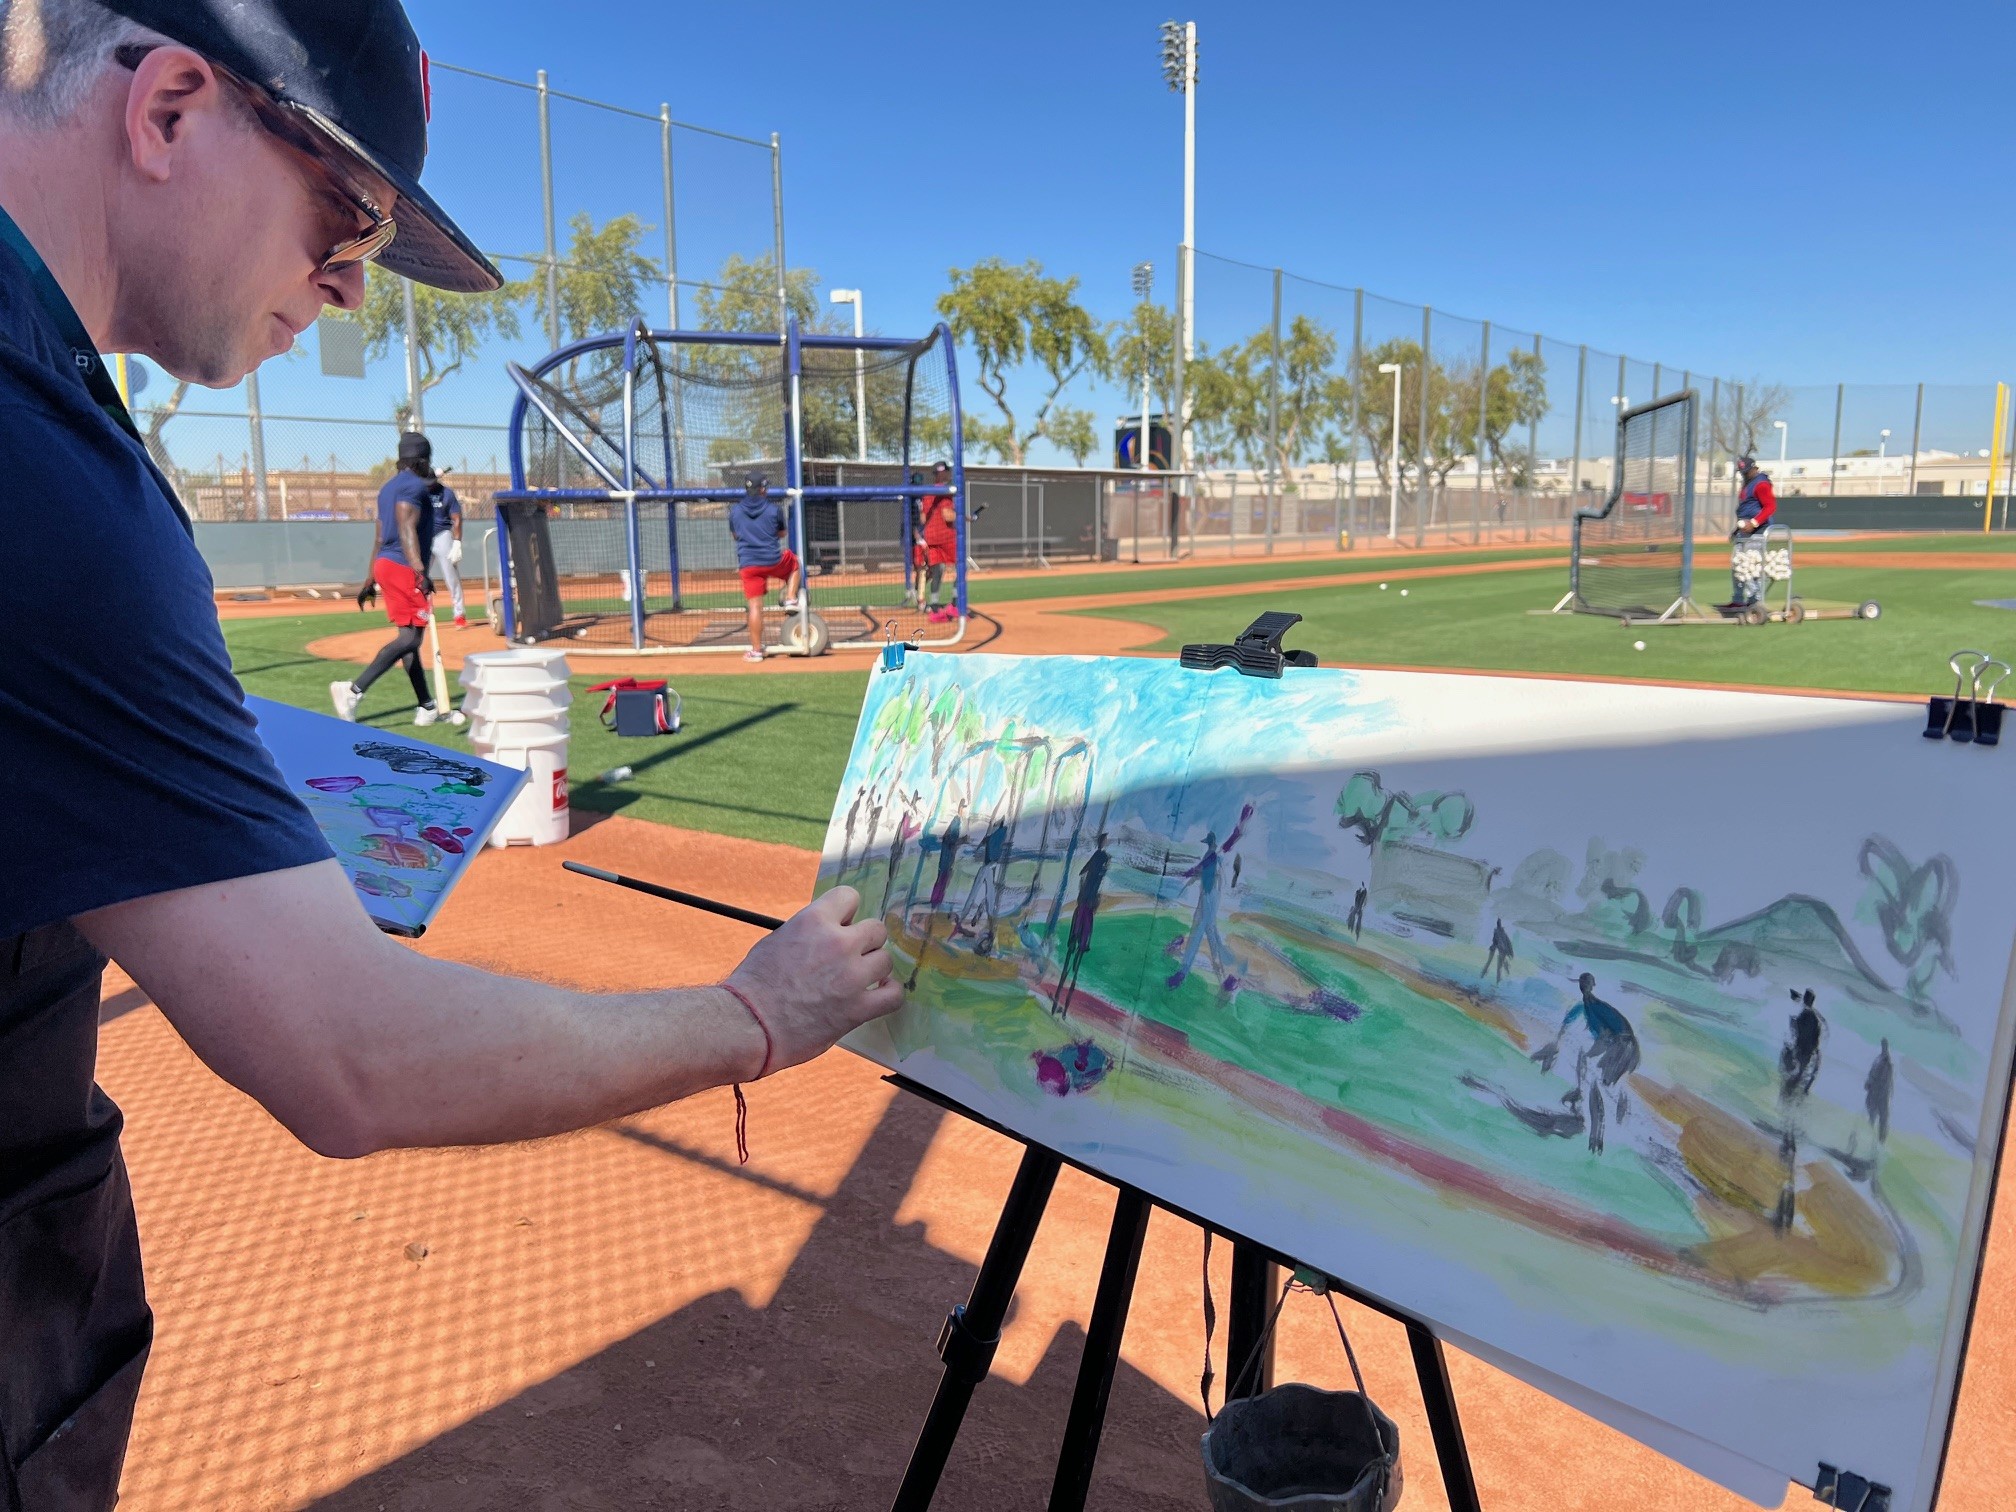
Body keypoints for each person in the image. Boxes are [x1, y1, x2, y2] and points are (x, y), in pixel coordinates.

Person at [0, 4, 899, 1504]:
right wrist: (755, 1014)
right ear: (166, 109)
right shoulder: (50, 472)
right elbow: (347, 1055)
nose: (348, 286)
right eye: (343, 214)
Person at [331, 430, 440, 723]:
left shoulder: (388, 488)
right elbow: (406, 528)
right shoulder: (414, 488)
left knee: (408, 637)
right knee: (412, 637)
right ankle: (353, 691)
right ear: (421, 460)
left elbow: (380, 537)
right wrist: (419, 571)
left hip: (386, 564)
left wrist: (370, 579)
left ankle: (426, 706)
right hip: (404, 567)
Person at [1531, 973, 1641, 1154]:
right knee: (1595, 1080)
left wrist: (1590, 1055)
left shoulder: (1594, 1005)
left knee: (1597, 1084)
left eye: (1587, 983)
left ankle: (1598, 1136)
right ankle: (1595, 1130)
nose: (1584, 986)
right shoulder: (1585, 1006)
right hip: (1620, 1048)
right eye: (1583, 983)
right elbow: (1569, 1023)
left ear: (1592, 985)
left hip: (1624, 1048)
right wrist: (1556, 1043)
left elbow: (1609, 1036)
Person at [730, 470, 801, 663]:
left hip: (748, 564)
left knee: (755, 606)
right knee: (794, 563)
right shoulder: (773, 509)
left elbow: (735, 536)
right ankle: (790, 598)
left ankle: (756, 651)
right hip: (772, 560)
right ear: (762, 489)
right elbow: (782, 533)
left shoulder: (735, 511)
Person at [1722, 453, 1778, 611]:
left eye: (1746, 471)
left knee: (1752, 566)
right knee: (1738, 564)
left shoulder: (1761, 484)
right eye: (1742, 472)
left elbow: (1770, 507)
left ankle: (1754, 600)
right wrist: (1736, 530)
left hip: (1758, 531)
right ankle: (1738, 599)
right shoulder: (1748, 483)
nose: (1744, 474)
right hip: (1744, 530)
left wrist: (1754, 523)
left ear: (1755, 468)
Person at [427, 456, 467, 629]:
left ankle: (459, 614)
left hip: (443, 534)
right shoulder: (419, 491)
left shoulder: (447, 493)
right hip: (423, 536)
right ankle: (425, 613)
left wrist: (457, 542)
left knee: (452, 577)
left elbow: (457, 518)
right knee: (420, 577)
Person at [918, 461, 959, 622]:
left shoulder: (927, 492)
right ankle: (955, 605)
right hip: (946, 536)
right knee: (962, 568)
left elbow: (922, 518)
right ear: (946, 474)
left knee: (937, 572)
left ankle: (934, 608)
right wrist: (964, 517)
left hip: (931, 537)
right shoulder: (946, 491)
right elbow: (948, 515)